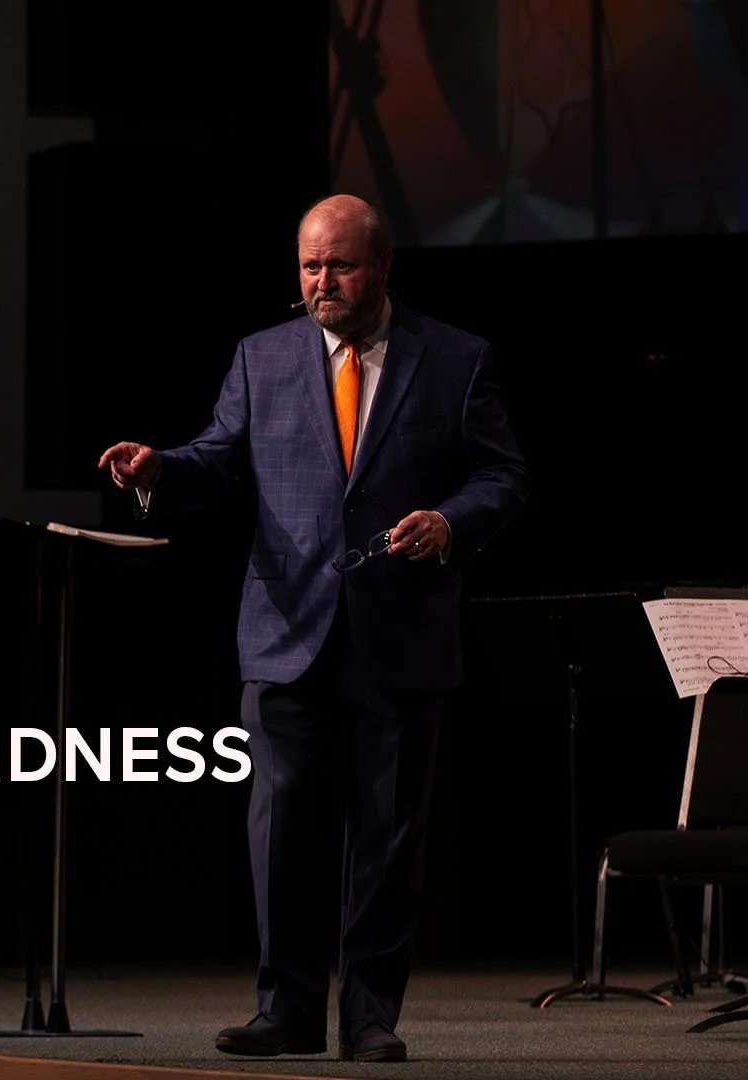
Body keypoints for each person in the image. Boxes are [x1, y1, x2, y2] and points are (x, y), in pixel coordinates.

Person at [98, 193, 529, 1063]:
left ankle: (369, 1017)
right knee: (283, 829)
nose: (322, 282)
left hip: (400, 633)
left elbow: (502, 476)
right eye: (309, 266)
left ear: (383, 266)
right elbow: (218, 458)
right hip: (286, 630)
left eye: (340, 265)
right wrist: (156, 472)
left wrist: (450, 522)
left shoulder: (456, 358)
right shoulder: (261, 357)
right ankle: (286, 1011)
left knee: (386, 840)